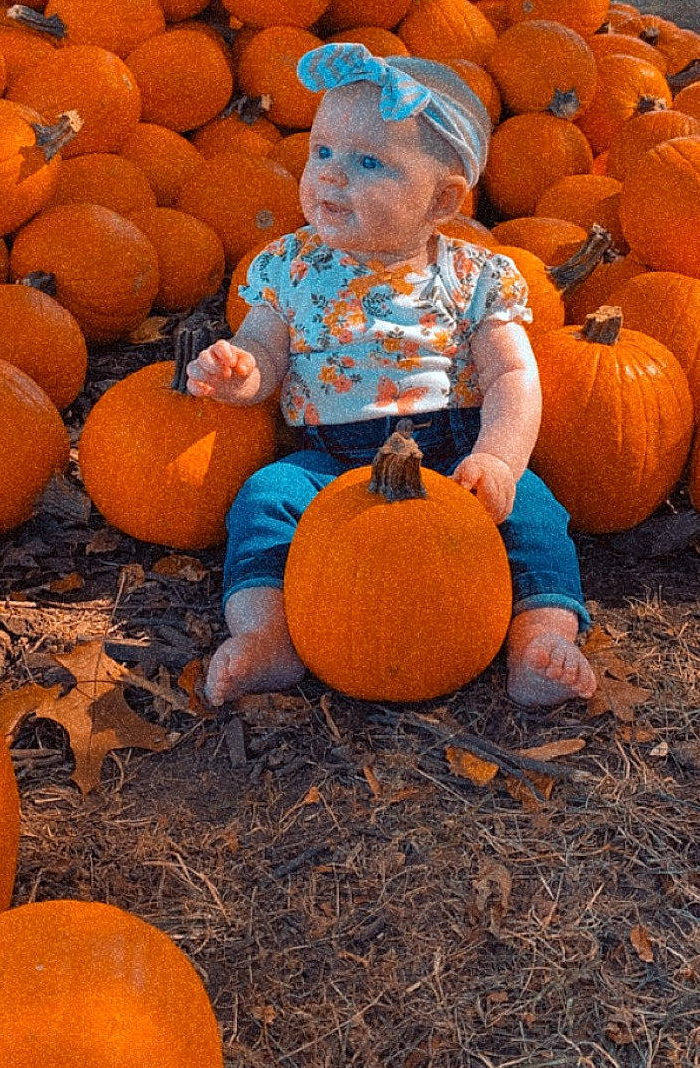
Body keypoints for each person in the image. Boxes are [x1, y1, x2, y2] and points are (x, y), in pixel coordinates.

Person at [186, 43, 596, 711]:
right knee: (265, 497)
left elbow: (511, 374)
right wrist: (241, 371)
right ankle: (266, 636)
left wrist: (499, 459)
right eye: (321, 152)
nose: (330, 177)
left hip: (454, 454)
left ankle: (541, 638)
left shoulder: (472, 276)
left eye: (368, 162)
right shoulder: (290, 266)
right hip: (331, 462)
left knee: (536, 513)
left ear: (442, 200)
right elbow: (263, 347)